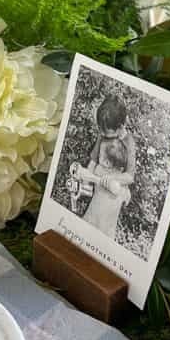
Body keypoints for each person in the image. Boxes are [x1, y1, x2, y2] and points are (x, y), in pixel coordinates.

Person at [70, 94, 136, 238]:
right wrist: (86, 180)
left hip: (113, 193)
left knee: (105, 224)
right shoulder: (103, 134)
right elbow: (94, 160)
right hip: (99, 189)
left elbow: (130, 176)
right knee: (92, 216)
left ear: (120, 127)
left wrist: (111, 178)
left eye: (105, 131)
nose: (101, 133)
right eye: (100, 129)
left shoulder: (128, 142)